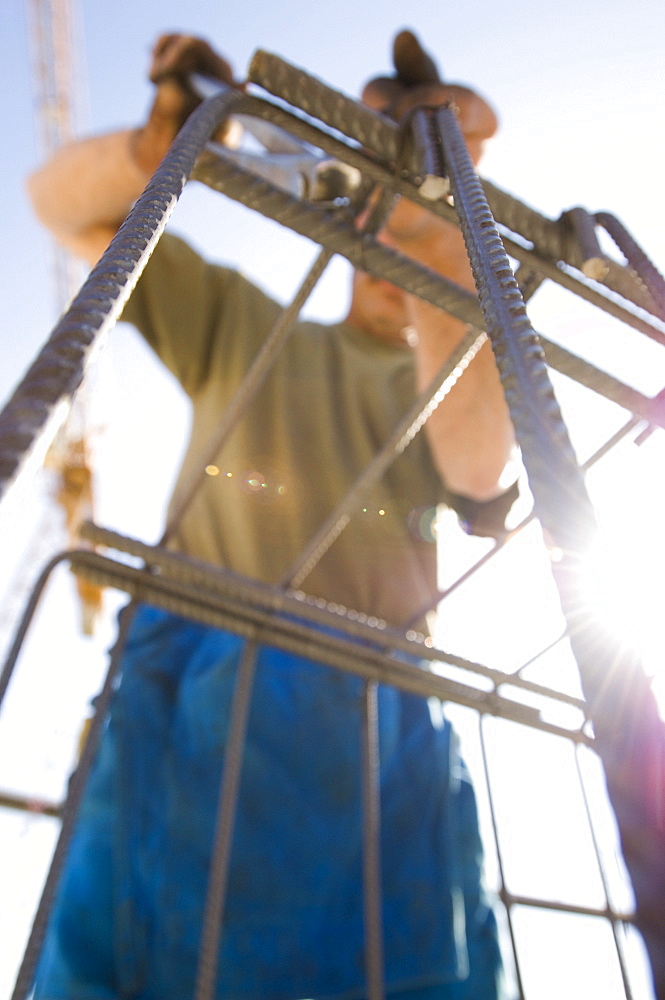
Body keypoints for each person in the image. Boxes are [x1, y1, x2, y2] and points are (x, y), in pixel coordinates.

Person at [28, 29, 517, 1000]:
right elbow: (62, 207)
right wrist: (161, 141)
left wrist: (430, 226)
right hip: (189, 686)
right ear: (345, 242)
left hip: (376, 730)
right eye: (378, 231)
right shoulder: (248, 325)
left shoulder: (439, 377)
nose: (388, 260)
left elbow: (477, 467)